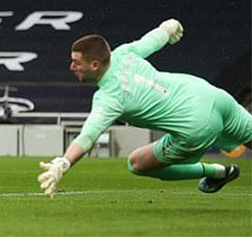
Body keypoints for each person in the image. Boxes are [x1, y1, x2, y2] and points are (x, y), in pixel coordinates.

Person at [37, 19, 252, 198]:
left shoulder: (109, 97)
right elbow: (152, 40)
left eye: (76, 62)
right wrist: (170, 26)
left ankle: (219, 172)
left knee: (137, 163)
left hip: (195, 125)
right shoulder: (123, 54)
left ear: (94, 65)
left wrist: (64, 163)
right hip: (208, 94)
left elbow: (87, 136)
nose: (72, 67)